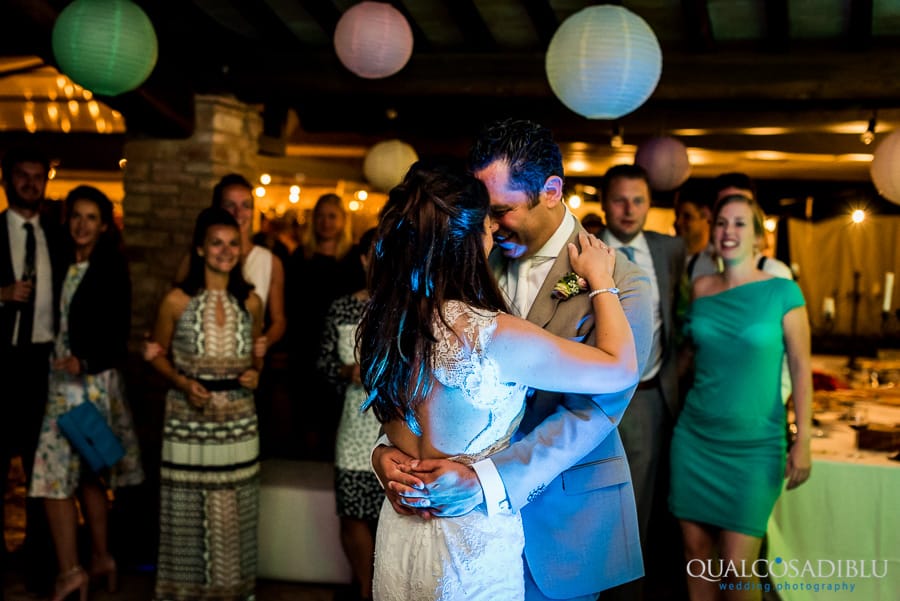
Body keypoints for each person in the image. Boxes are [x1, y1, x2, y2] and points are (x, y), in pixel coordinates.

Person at [373, 119, 654, 601]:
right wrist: (388, 451)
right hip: (444, 516)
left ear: (550, 190)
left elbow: (598, 407)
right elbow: (419, 375)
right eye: (485, 212)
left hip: (558, 519)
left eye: (501, 210)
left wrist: (487, 479)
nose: (492, 223)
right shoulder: (464, 254)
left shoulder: (622, 281)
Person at [670, 194, 812, 600]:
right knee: (696, 554)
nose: (727, 232)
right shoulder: (700, 289)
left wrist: (804, 440)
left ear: (758, 237)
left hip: (756, 446)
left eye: (739, 224)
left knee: (737, 565)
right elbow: (689, 357)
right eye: (721, 223)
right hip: (695, 439)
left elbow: (801, 370)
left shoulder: (784, 292)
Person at [28, 185, 144, 601]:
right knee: (83, 480)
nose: (81, 225)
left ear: (104, 224)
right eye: (76, 216)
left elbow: (118, 335)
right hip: (58, 382)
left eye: (91, 217)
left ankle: (73, 571)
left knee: (53, 477)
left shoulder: (111, 267)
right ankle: (98, 560)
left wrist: (86, 362)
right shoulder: (59, 262)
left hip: (89, 386)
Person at [149, 207, 264, 600]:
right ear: (200, 248)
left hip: (238, 420)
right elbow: (154, 354)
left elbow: (256, 359)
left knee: (236, 511)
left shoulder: (251, 303)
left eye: (233, 244)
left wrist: (255, 374)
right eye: (216, 243)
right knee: (186, 512)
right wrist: (182, 382)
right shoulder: (176, 301)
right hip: (187, 418)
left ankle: (234, 592)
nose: (225, 251)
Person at [599, 164, 685, 600]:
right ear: (603, 203)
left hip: (650, 396)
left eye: (638, 200)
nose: (629, 210)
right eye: (619, 199)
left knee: (641, 507)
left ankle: (631, 592)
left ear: (651, 205)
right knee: (595, 500)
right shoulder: (583, 248)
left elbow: (681, 317)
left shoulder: (671, 250)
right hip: (594, 395)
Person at [0, 146, 60, 595]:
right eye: (22, 176)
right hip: (0, 362)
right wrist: (0, 293)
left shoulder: (56, 235)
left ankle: (40, 565)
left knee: (41, 469)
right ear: (7, 179)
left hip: (42, 364)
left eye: (37, 177)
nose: (30, 184)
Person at [317, 227, 381, 601]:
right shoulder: (342, 307)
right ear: (363, 259)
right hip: (352, 424)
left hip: (398, 427)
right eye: (376, 253)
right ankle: (363, 588)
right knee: (353, 512)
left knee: (392, 513)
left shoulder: (409, 308)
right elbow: (323, 363)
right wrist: (346, 371)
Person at [286, 193, 363, 458]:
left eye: (332, 216)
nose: (326, 222)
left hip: (341, 347)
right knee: (305, 414)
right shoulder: (300, 256)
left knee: (336, 414)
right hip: (305, 343)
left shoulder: (353, 258)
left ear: (343, 220)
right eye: (321, 216)